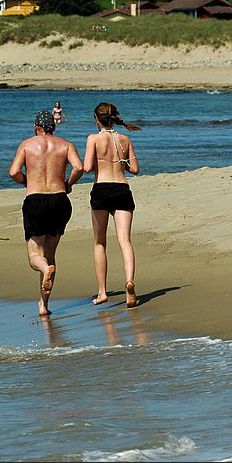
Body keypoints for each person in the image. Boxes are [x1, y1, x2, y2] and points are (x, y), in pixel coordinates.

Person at [8, 110, 84, 317]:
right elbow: (79, 167)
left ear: (35, 127)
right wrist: (68, 184)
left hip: (36, 200)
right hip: (60, 201)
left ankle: (44, 271)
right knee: (50, 256)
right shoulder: (65, 144)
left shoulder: (27, 144)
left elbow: (13, 172)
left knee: (36, 256)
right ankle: (43, 305)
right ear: (54, 127)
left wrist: (27, 181)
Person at [83, 102, 141, 308]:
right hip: (121, 189)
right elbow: (135, 169)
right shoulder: (125, 139)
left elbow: (88, 167)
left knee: (100, 242)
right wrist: (121, 159)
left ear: (97, 119)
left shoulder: (93, 139)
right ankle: (129, 281)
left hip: (101, 189)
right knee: (125, 240)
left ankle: (101, 292)